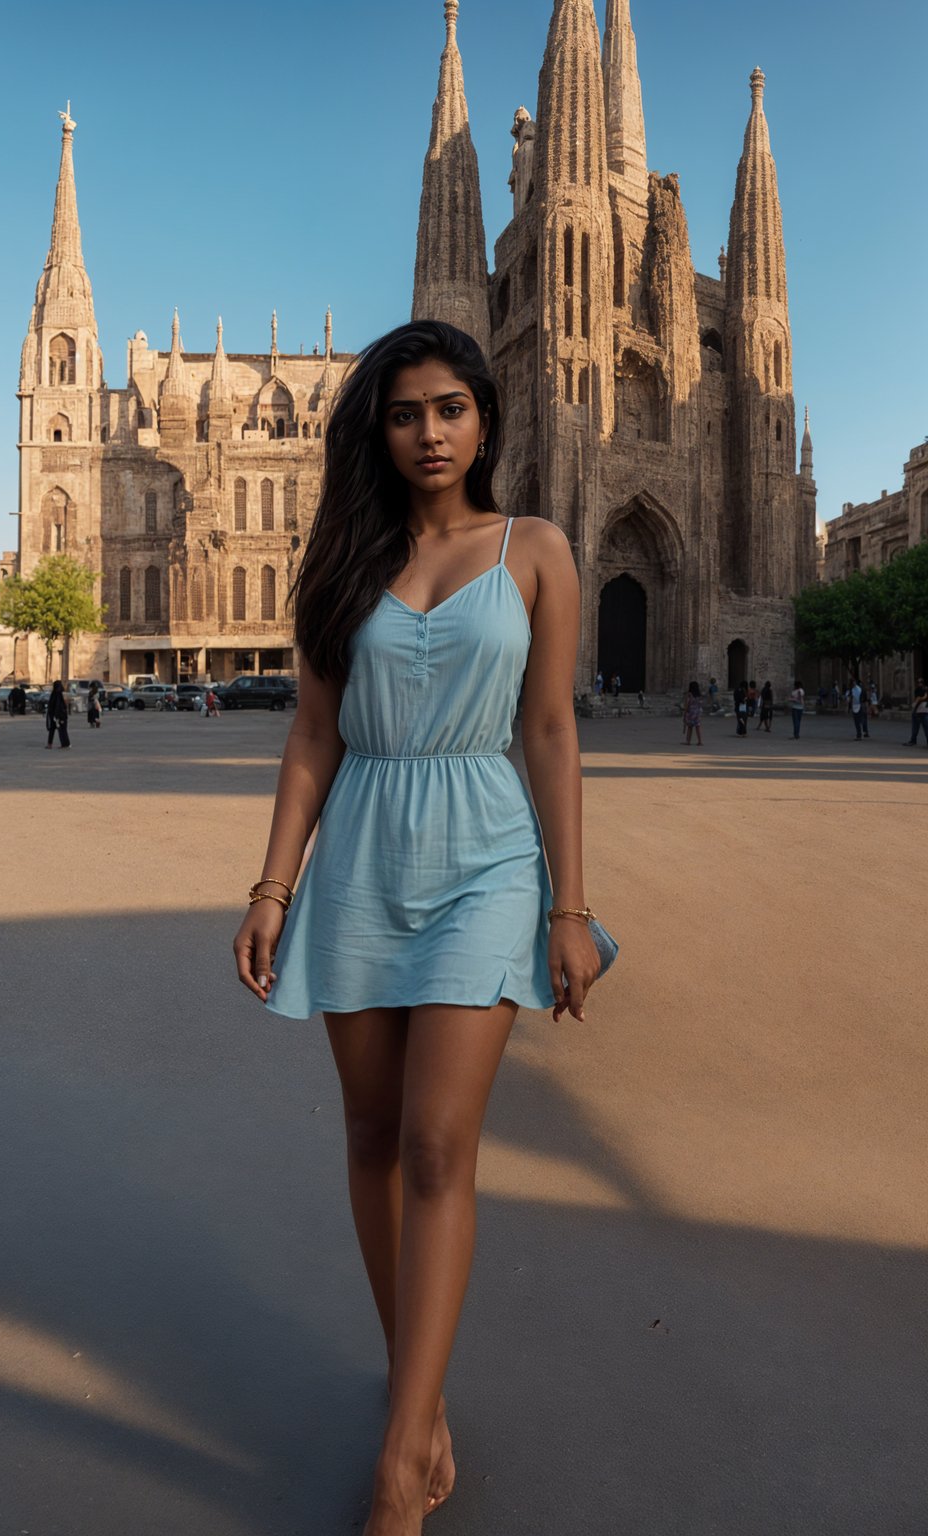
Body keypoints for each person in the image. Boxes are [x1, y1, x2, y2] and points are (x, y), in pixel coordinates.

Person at [232, 320, 601, 1535]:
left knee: (441, 1144)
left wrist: (570, 905)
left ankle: (399, 1469)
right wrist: (271, 888)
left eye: (450, 408)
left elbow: (548, 733)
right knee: (374, 1133)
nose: (429, 432)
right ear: (376, 432)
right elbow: (311, 741)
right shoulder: (344, 559)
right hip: (362, 856)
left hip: (486, 854)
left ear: (484, 417)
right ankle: (419, 1396)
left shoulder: (536, 550)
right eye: (404, 413)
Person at [45, 680, 70, 748]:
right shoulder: (61, 693)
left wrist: (56, 715)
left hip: (57, 715)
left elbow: (57, 705)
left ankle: (52, 744)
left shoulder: (57, 694)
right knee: (61, 729)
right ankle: (65, 744)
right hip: (59, 715)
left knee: (58, 730)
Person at [905, 677, 928, 746]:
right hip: (923, 710)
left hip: (920, 710)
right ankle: (913, 740)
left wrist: (914, 706)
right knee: (921, 727)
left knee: (921, 727)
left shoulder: (920, 690)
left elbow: (918, 699)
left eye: (920, 682)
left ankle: (913, 741)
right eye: (918, 682)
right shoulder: (922, 689)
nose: (919, 684)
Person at [683, 680, 704, 746]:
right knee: (698, 727)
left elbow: (686, 705)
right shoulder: (699, 695)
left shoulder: (689, 695)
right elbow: (701, 704)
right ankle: (700, 741)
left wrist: (684, 714)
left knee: (690, 727)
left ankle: (688, 741)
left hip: (691, 713)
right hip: (697, 712)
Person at [847, 673, 867, 740]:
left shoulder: (857, 689)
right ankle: (860, 733)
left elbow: (852, 698)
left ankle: (859, 734)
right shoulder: (855, 689)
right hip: (855, 705)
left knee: (857, 721)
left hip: (858, 705)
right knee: (857, 721)